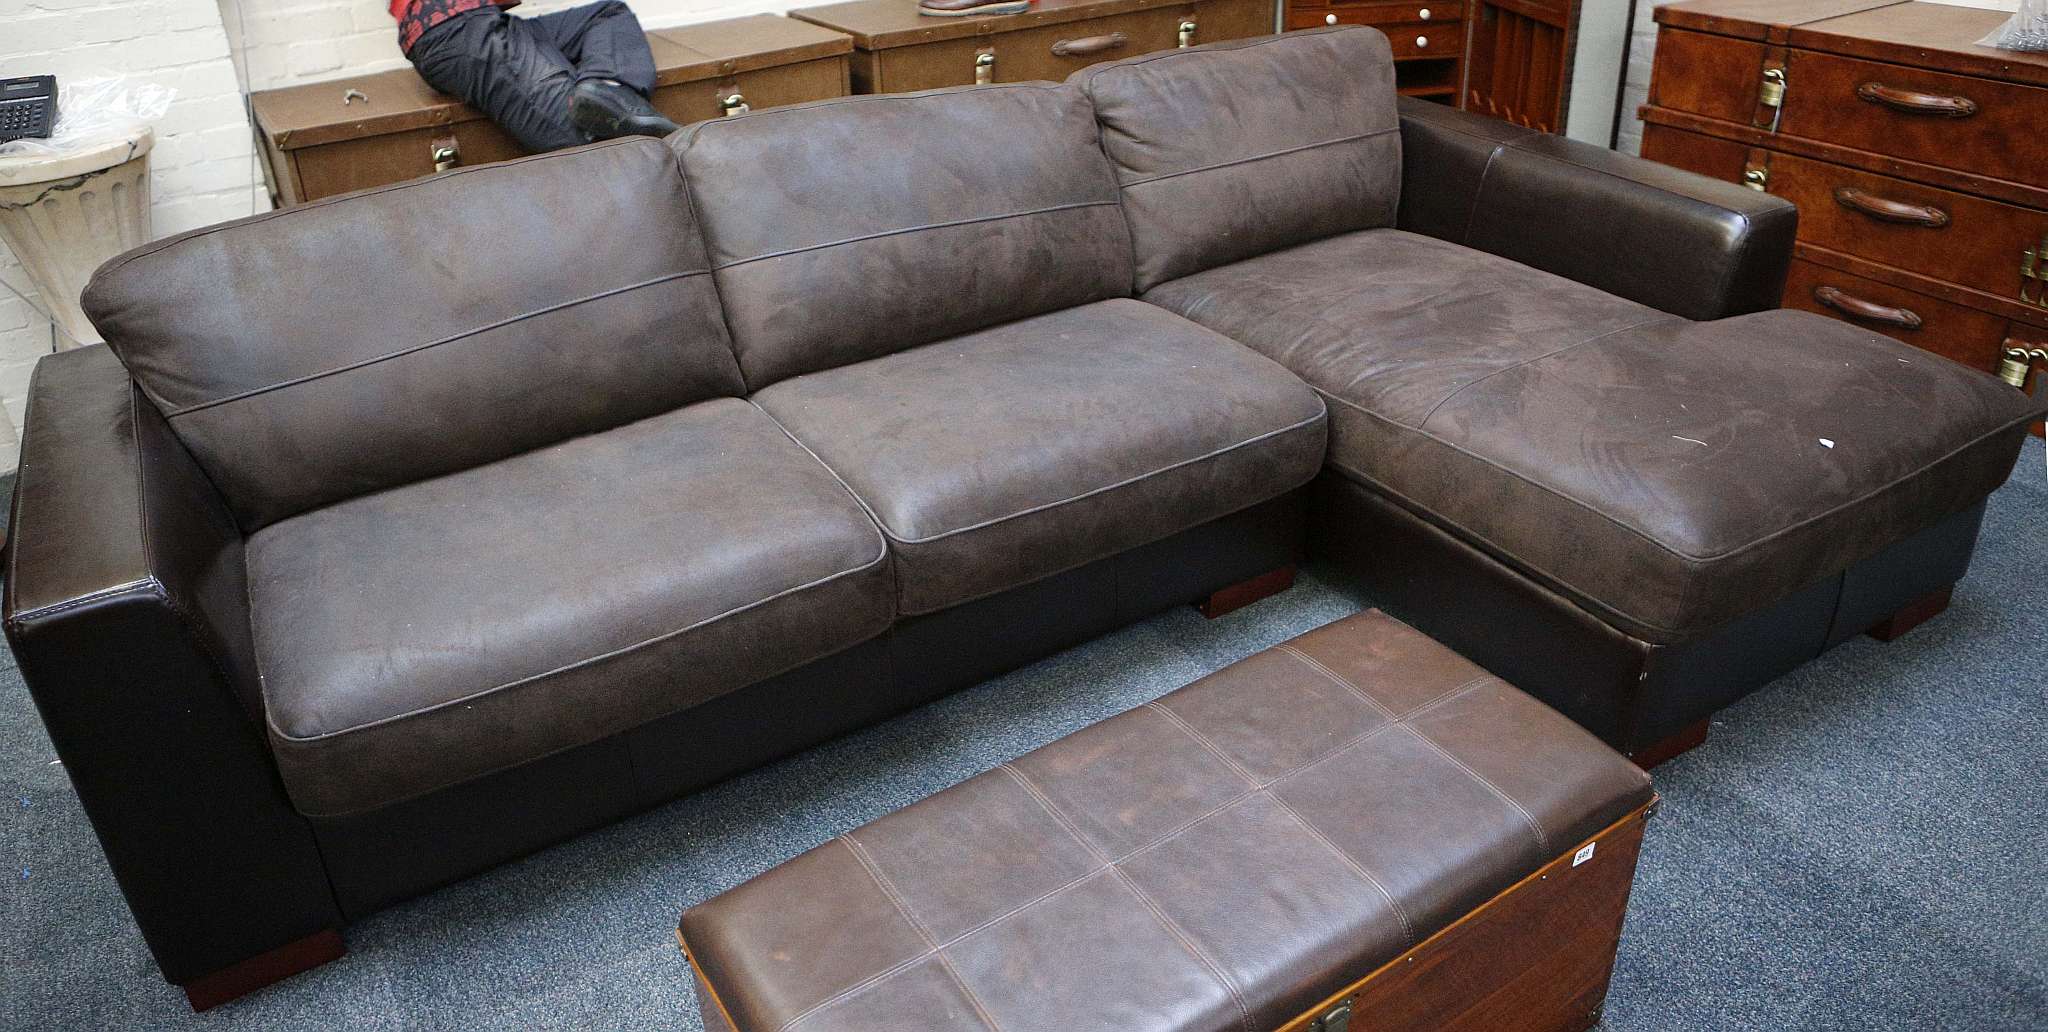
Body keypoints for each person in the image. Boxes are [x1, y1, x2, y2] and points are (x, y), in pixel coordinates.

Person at [392, 0, 681, 153]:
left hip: (483, 22)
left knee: (607, 14)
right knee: (594, 146)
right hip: (457, 30)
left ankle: (607, 90)